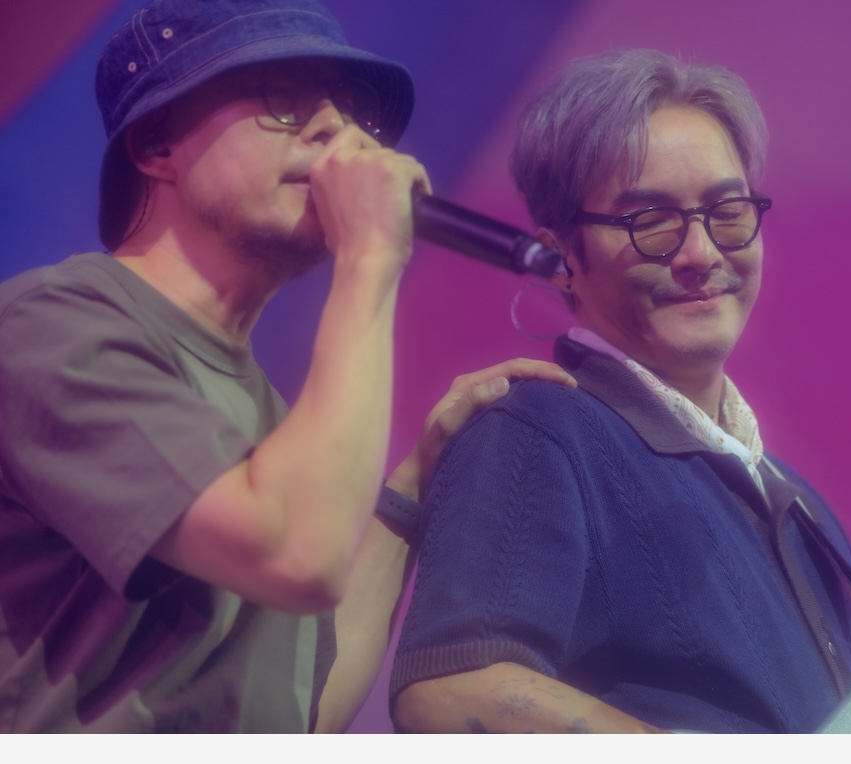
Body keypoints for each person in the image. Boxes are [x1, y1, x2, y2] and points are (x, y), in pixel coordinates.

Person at [0, 0, 572, 733]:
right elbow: (299, 554)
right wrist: (370, 256)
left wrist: (412, 486)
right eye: (284, 98)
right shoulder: (55, 326)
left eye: (349, 107)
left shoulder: (278, 429)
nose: (337, 128)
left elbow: (307, 714)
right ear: (156, 144)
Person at [389, 48, 851, 734]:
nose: (701, 253)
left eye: (727, 210)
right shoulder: (535, 429)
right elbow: (451, 692)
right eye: (649, 221)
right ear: (563, 256)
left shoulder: (803, 509)